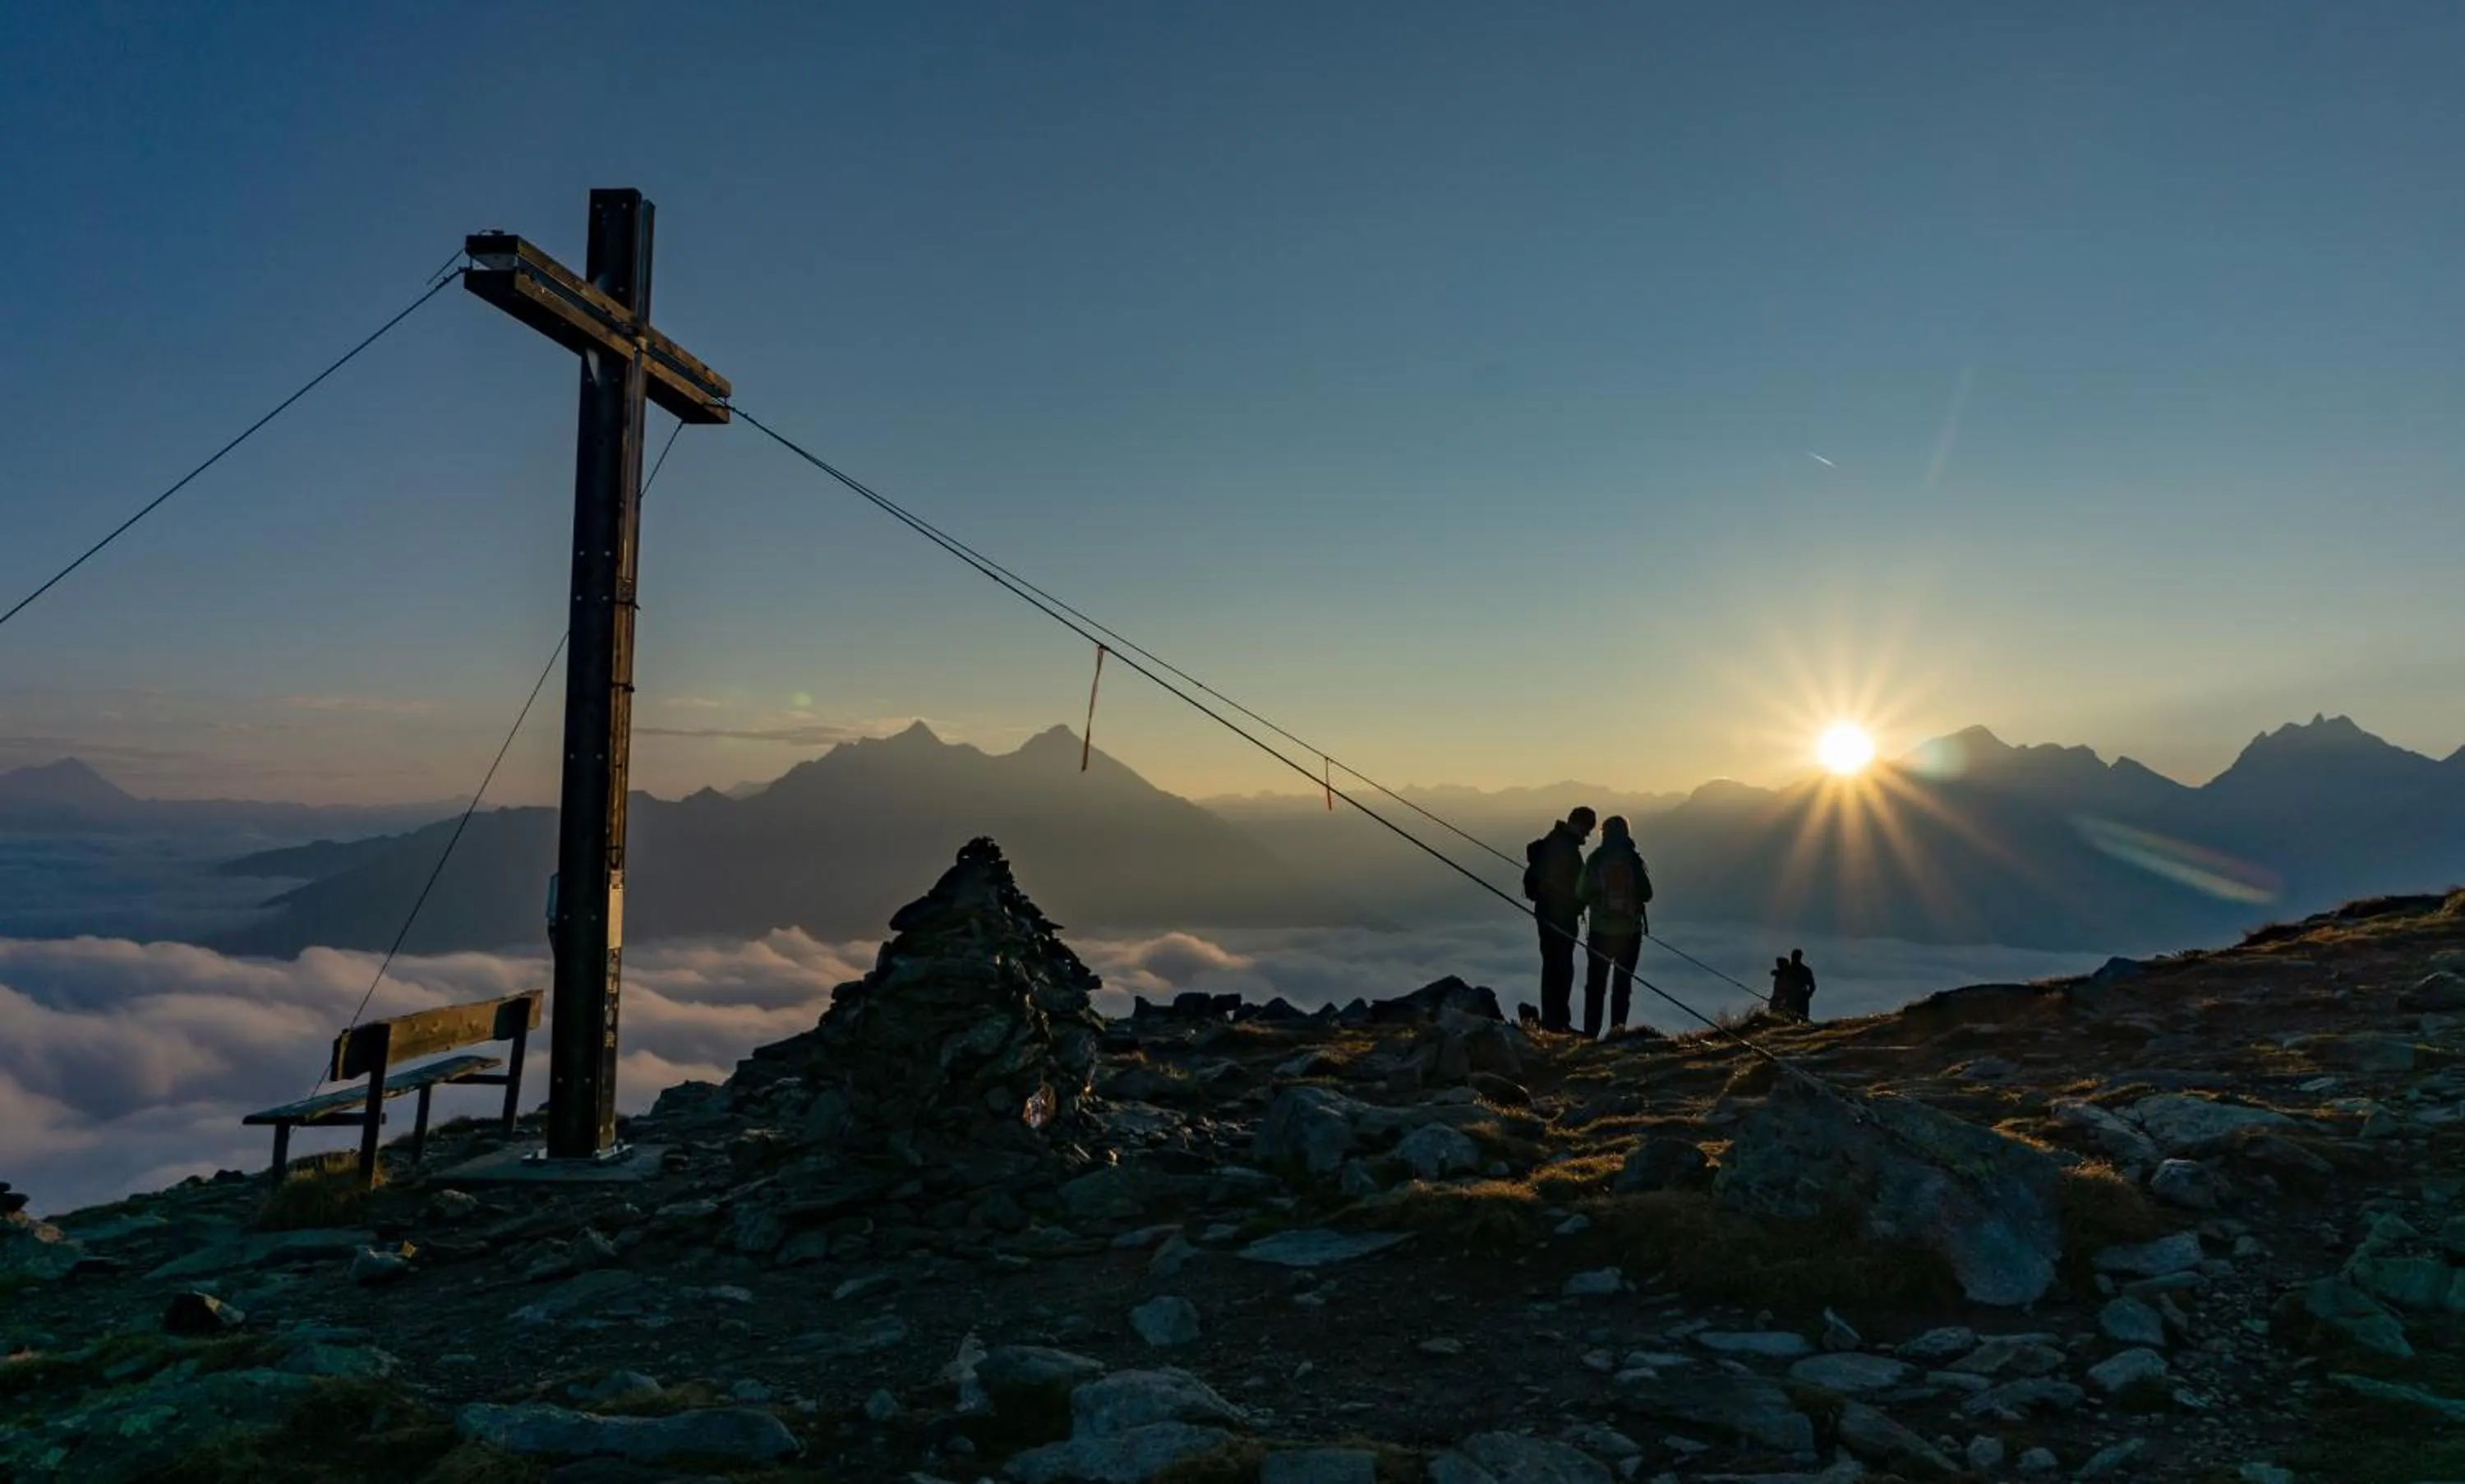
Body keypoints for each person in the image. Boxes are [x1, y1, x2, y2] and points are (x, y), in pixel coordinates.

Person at [1577, 815, 1652, 1038]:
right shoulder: (1632, 859)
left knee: (1596, 987)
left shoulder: (1596, 859)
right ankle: (1617, 1033)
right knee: (1622, 986)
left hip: (1601, 932)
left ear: (1604, 833)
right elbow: (1647, 893)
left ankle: (1590, 1034)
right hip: (1630, 934)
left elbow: (1581, 892)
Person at [1522, 806, 1595, 1032]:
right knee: (1561, 969)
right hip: (1560, 917)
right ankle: (1558, 1023)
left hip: (1547, 914)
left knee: (1553, 967)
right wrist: (1578, 902)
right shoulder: (1565, 848)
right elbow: (1574, 885)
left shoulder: (1555, 841)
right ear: (1578, 824)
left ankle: (1554, 1019)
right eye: (1587, 829)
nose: (1588, 835)